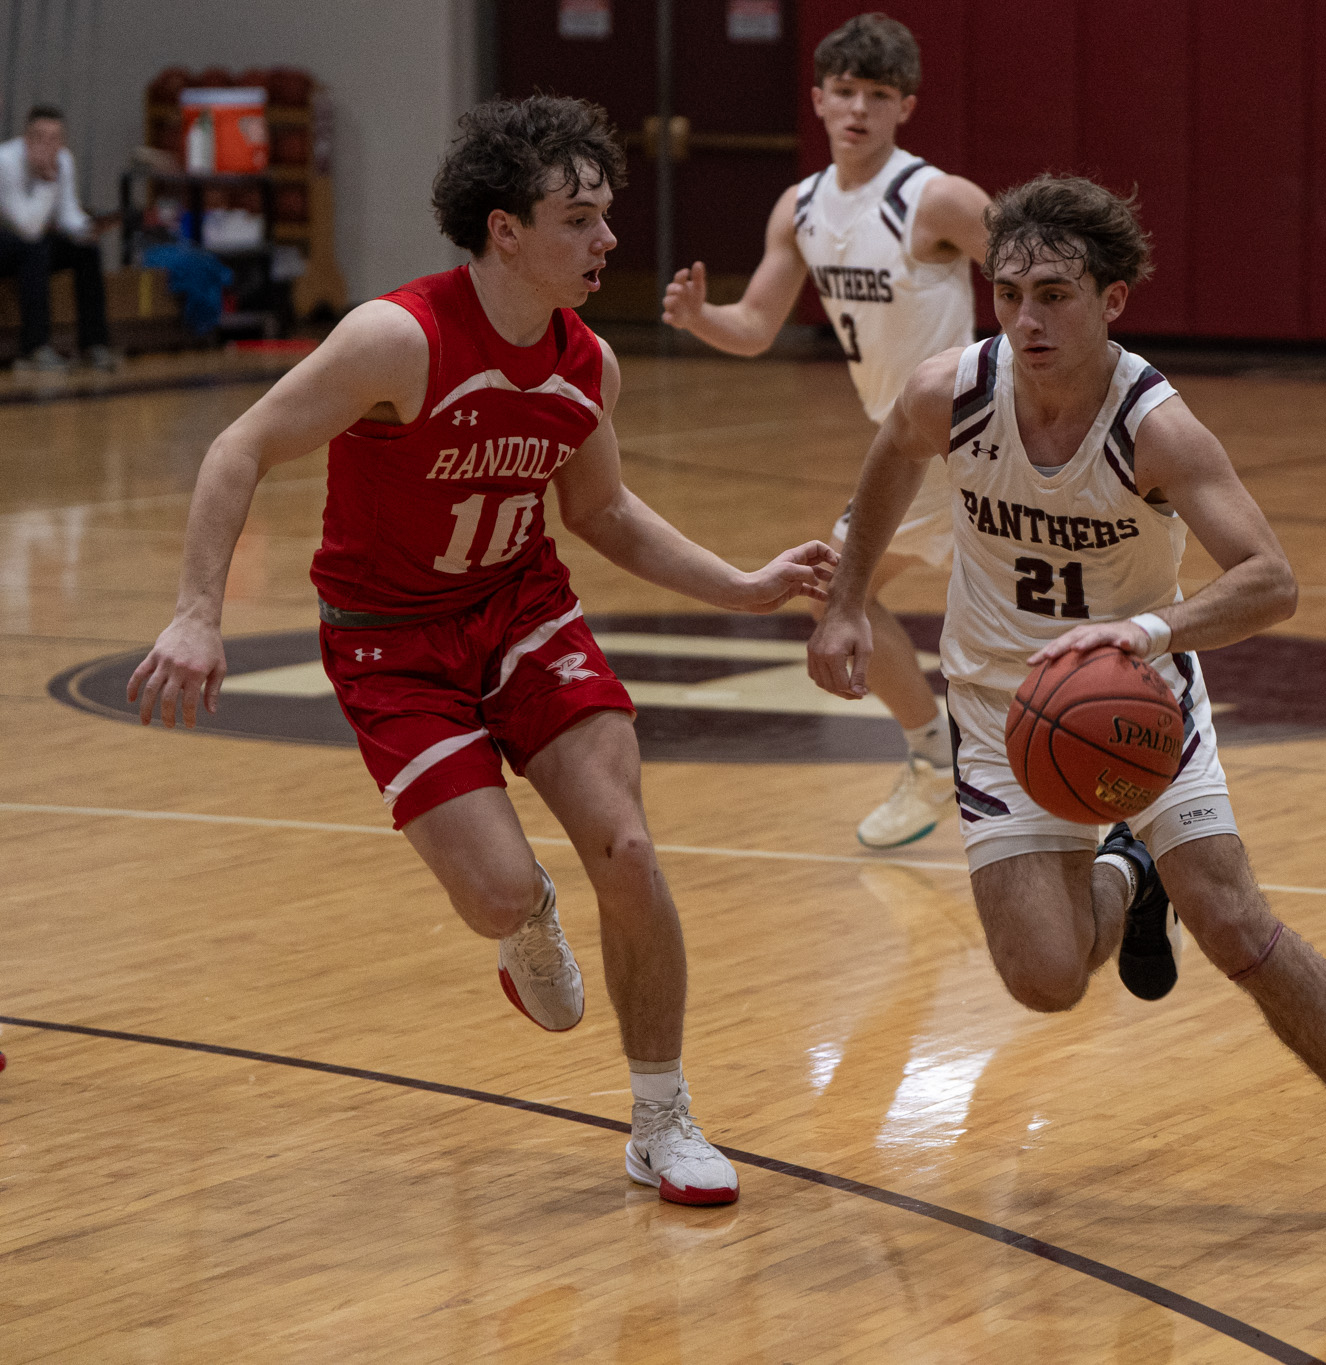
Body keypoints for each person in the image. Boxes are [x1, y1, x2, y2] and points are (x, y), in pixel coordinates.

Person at [125, 96, 837, 1208]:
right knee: (501, 892)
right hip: (389, 647)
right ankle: (526, 921)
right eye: (579, 219)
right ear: (505, 230)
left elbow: (601, 514)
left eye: (607, 217)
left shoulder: (587, 363)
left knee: (631, 850)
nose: (606, 241)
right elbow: (240, 446)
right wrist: (196, 612)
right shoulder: (394, 339)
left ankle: (662, 1117)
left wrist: (742, 587)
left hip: (522, 618)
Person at [808, 176, 1326, 1244]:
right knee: (1044, 982)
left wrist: (1149, 634)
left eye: (1055, 294)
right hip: (991, 708)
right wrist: (844, 604)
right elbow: (889, 456)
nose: (1027, 318)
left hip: (1134, 696)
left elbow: (1270, 580)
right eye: (1010, 292)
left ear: (1111, 300)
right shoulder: (951, 392)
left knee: (1233, 920)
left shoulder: (1153, 427)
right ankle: (1128, 870)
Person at [663, 12, 989, 849]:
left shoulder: (936, 198)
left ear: (904, 107)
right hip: (909, 444)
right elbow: (758, 325)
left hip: (977, 435)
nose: (858, 109)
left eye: (877, 95)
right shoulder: (802, 208)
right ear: (817, 99)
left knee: (865, 594)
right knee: (842, 591)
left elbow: (1040, 270)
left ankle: (1085, 793)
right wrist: (704, 320)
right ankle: (938, 755)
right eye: (844, 91)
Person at [0, 104, 115, 373]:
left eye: (55, 138)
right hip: (8, 243)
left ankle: (94, 344)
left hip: (29, 244)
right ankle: (34, 348)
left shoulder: (64, 159)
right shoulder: (5, 161)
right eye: (41, 137)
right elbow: (27, 227)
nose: (49, 145)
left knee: (86, 250)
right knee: (35, 248)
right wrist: (47, 180)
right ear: (26, 139)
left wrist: (88, 229)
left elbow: (67, 213)